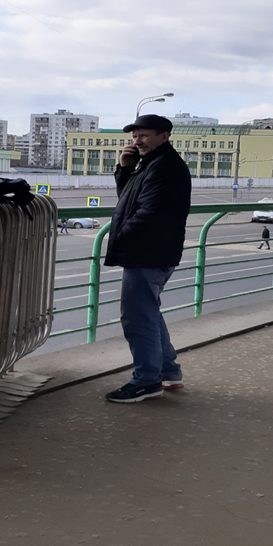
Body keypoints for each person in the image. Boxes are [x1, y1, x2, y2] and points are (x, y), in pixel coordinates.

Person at [103, 114, 192, 403]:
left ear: (163, 136)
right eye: (134, 136)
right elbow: (129, 199)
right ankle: (168, 371)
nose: (136, 141)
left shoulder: (165, 167)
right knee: (148, 312)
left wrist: (121, 236)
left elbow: (148, 213)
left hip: (148, 252)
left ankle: (146, 381)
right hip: (151, 250)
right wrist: (125, 169)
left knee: (137, 317)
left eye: (143, 136)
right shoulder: (152, 164)